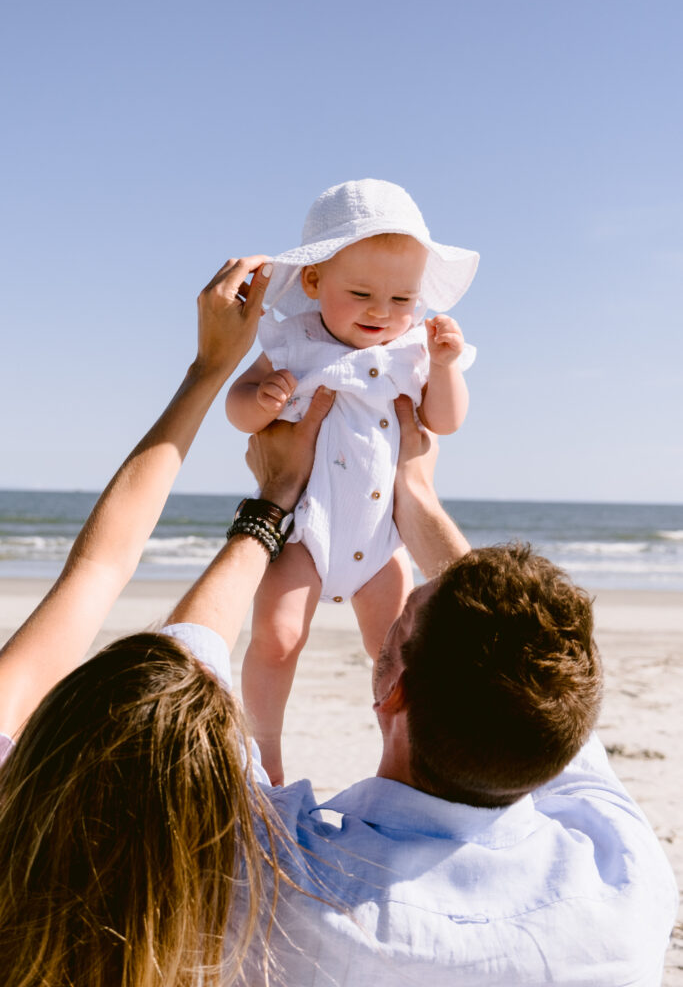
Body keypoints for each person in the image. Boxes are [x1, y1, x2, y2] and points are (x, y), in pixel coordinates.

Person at [0, 257, 677, 986]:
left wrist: (257, 468)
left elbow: (128, 611)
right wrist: (415, 492)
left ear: (391, 688)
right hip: (337, 532)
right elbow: (528, 672)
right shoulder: (628, 874)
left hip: (314, 519)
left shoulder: (275, 889)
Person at [0, 255, 334, 987]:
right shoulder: (230, 941)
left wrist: (208, 371)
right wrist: (274, 500)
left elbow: (96, 570)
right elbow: (117, 589)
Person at [226, 177, 480, 784]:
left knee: (397, 652)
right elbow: (237, 413)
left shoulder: (416, 348)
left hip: (383, 537)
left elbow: (444, 421)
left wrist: (443, 369)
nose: (382, 312)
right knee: (278, 638)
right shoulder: (293, 340)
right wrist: (260, 398)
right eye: (362, 293)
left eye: (402, 299)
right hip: (302, 534)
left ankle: (404, 749)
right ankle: (266, 751)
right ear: (313, 282)